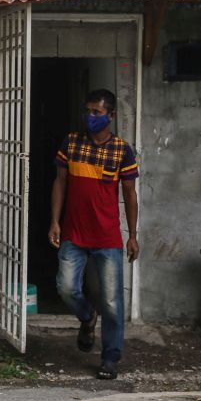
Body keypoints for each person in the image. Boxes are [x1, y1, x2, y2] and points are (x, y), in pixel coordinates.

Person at [48, 89, 139, 380]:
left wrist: (132, 235)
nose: (90, 117)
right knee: (65, 287)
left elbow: (129, 194)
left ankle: (110, 358)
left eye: (97, 112)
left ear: (111, 116)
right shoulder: (72, 143)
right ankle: (88, 317)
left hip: (107, 237)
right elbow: (60, 183)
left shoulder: (122, 150)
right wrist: (54, 222)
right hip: (74, 233)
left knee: (112, 301)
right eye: (88, 111)